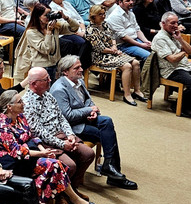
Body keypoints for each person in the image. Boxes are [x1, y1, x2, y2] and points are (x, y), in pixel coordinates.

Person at [0, 90, 91, 204]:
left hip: (29, 158)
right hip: (13, 164)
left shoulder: (20, 117)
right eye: (20, 102)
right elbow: (16, 151)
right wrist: (42, 154)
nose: (23, 103)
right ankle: (66, 200)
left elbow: (32, 136)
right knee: (53, 166)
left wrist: (42, 149)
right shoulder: (1, 126)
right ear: (9, 107)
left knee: (54, 167)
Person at [49, 56, 138, 189]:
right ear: (65, 72)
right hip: (72, 127)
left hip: (84, 119)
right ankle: (113, 173)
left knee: (107, 122)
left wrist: (92, 111)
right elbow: (67, 116)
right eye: (76, 68)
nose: (81, 69)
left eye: (80, 66)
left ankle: (110, 166)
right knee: (106, 134)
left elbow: (88, 100)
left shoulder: (79, 80)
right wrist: (88, 110)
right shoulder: (59, 89)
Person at [22, 67, 97, 197]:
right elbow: (38, 132)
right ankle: (60, 196)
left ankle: (73, 189)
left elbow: (61, 118)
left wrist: (70, 135)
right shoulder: (27, 103)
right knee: (70, 165)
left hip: (62, 135)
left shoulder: (48, 95)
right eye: (45, 79)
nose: (50, 80)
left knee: (88, 154)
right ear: (34, 84)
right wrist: (62, 144)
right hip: (46, 143)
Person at [85, 4, 145, 105]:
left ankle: (137, 91)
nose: (103, 16)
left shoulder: (104, 24)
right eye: (100, 14)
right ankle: (127, 95)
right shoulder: (90, 30)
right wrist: (114, 51)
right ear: (93, 16)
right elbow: (100, 48)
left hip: (111, 52)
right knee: (127, 66)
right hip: (100, 56)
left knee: (136, 63)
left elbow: (112, 36)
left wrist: (114, 46)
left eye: (104, 14)